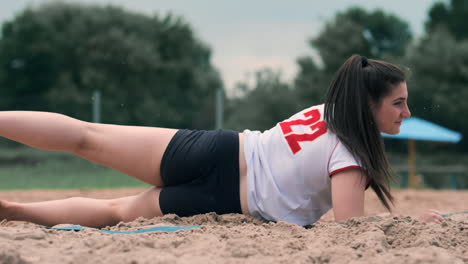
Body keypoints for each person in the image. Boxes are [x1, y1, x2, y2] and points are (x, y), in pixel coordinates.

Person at [0, 55, 444, 228]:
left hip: (216, 147)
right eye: (399, 103)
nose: (406, 112)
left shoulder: (323, 113)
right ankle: (13, 212)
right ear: (370, 105)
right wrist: (412, 224)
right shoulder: (352, 156)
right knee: (116, 212)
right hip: (228, 197)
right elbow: (350, 230)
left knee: (86, 135)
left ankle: (11, 206)